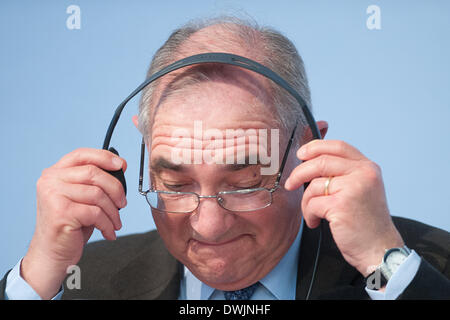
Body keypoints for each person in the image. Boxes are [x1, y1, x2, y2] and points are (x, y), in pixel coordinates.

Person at [1, 17, 449, 300]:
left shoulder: (423, 272)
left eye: (246, 182)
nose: (208, 227)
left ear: (310, 150)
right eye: (175, 185)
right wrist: (37, 281)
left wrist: (383, 262)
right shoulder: (77, 284)